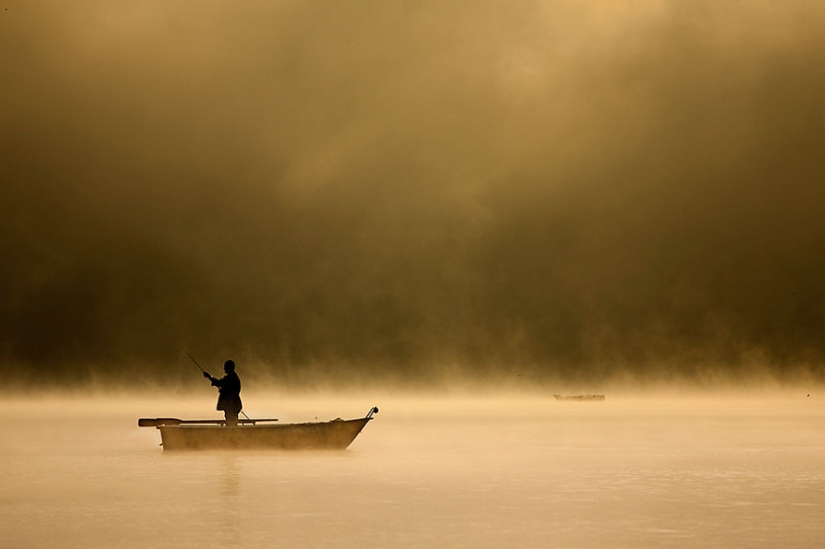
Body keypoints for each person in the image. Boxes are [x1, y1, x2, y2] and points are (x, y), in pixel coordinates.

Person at [203, 360, 243, 426]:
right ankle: (233, 433)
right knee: (232, 420)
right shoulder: (234, 377)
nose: (224, 368)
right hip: (234, 404)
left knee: (231, 421)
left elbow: (219, 383)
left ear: (229, 368)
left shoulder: (230, 378)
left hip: (231, 405)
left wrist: (209, 377)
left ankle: (232, 433)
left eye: (225, 367)